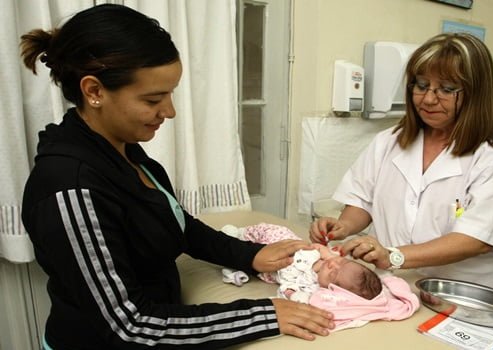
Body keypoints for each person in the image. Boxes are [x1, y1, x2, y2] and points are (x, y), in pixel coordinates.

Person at [20, 4, 333, 350]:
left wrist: (249, 255)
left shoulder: (123, 152)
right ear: (94, 91)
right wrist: (264, 315)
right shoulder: (70, 188)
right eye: (154, 99)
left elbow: (176, 225)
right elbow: (129, 327)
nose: (169, 111)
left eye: (170, 94)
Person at [309, 33, 493, 296]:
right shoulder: (389, 141)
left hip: (466, 294)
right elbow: (362, 201)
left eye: (446, 89)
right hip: (395, 286)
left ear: (475, 93)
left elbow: (476, 239)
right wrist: (344, 226)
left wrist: (393, 256)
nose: (429, 99)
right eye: (421, 85)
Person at [222, 223, 382, 302]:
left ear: (333, 291)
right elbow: (315, 247)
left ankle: (236, 245)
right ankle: (241, 233)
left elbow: (285, 289)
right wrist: (325, 252)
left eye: (333, 274)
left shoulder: (311, 288)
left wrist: (294, 295)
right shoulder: (329, 257)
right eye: (342, 263)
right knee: (269, 232)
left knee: (251, 262)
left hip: (272, 268)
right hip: (285, 243)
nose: (333, 265)